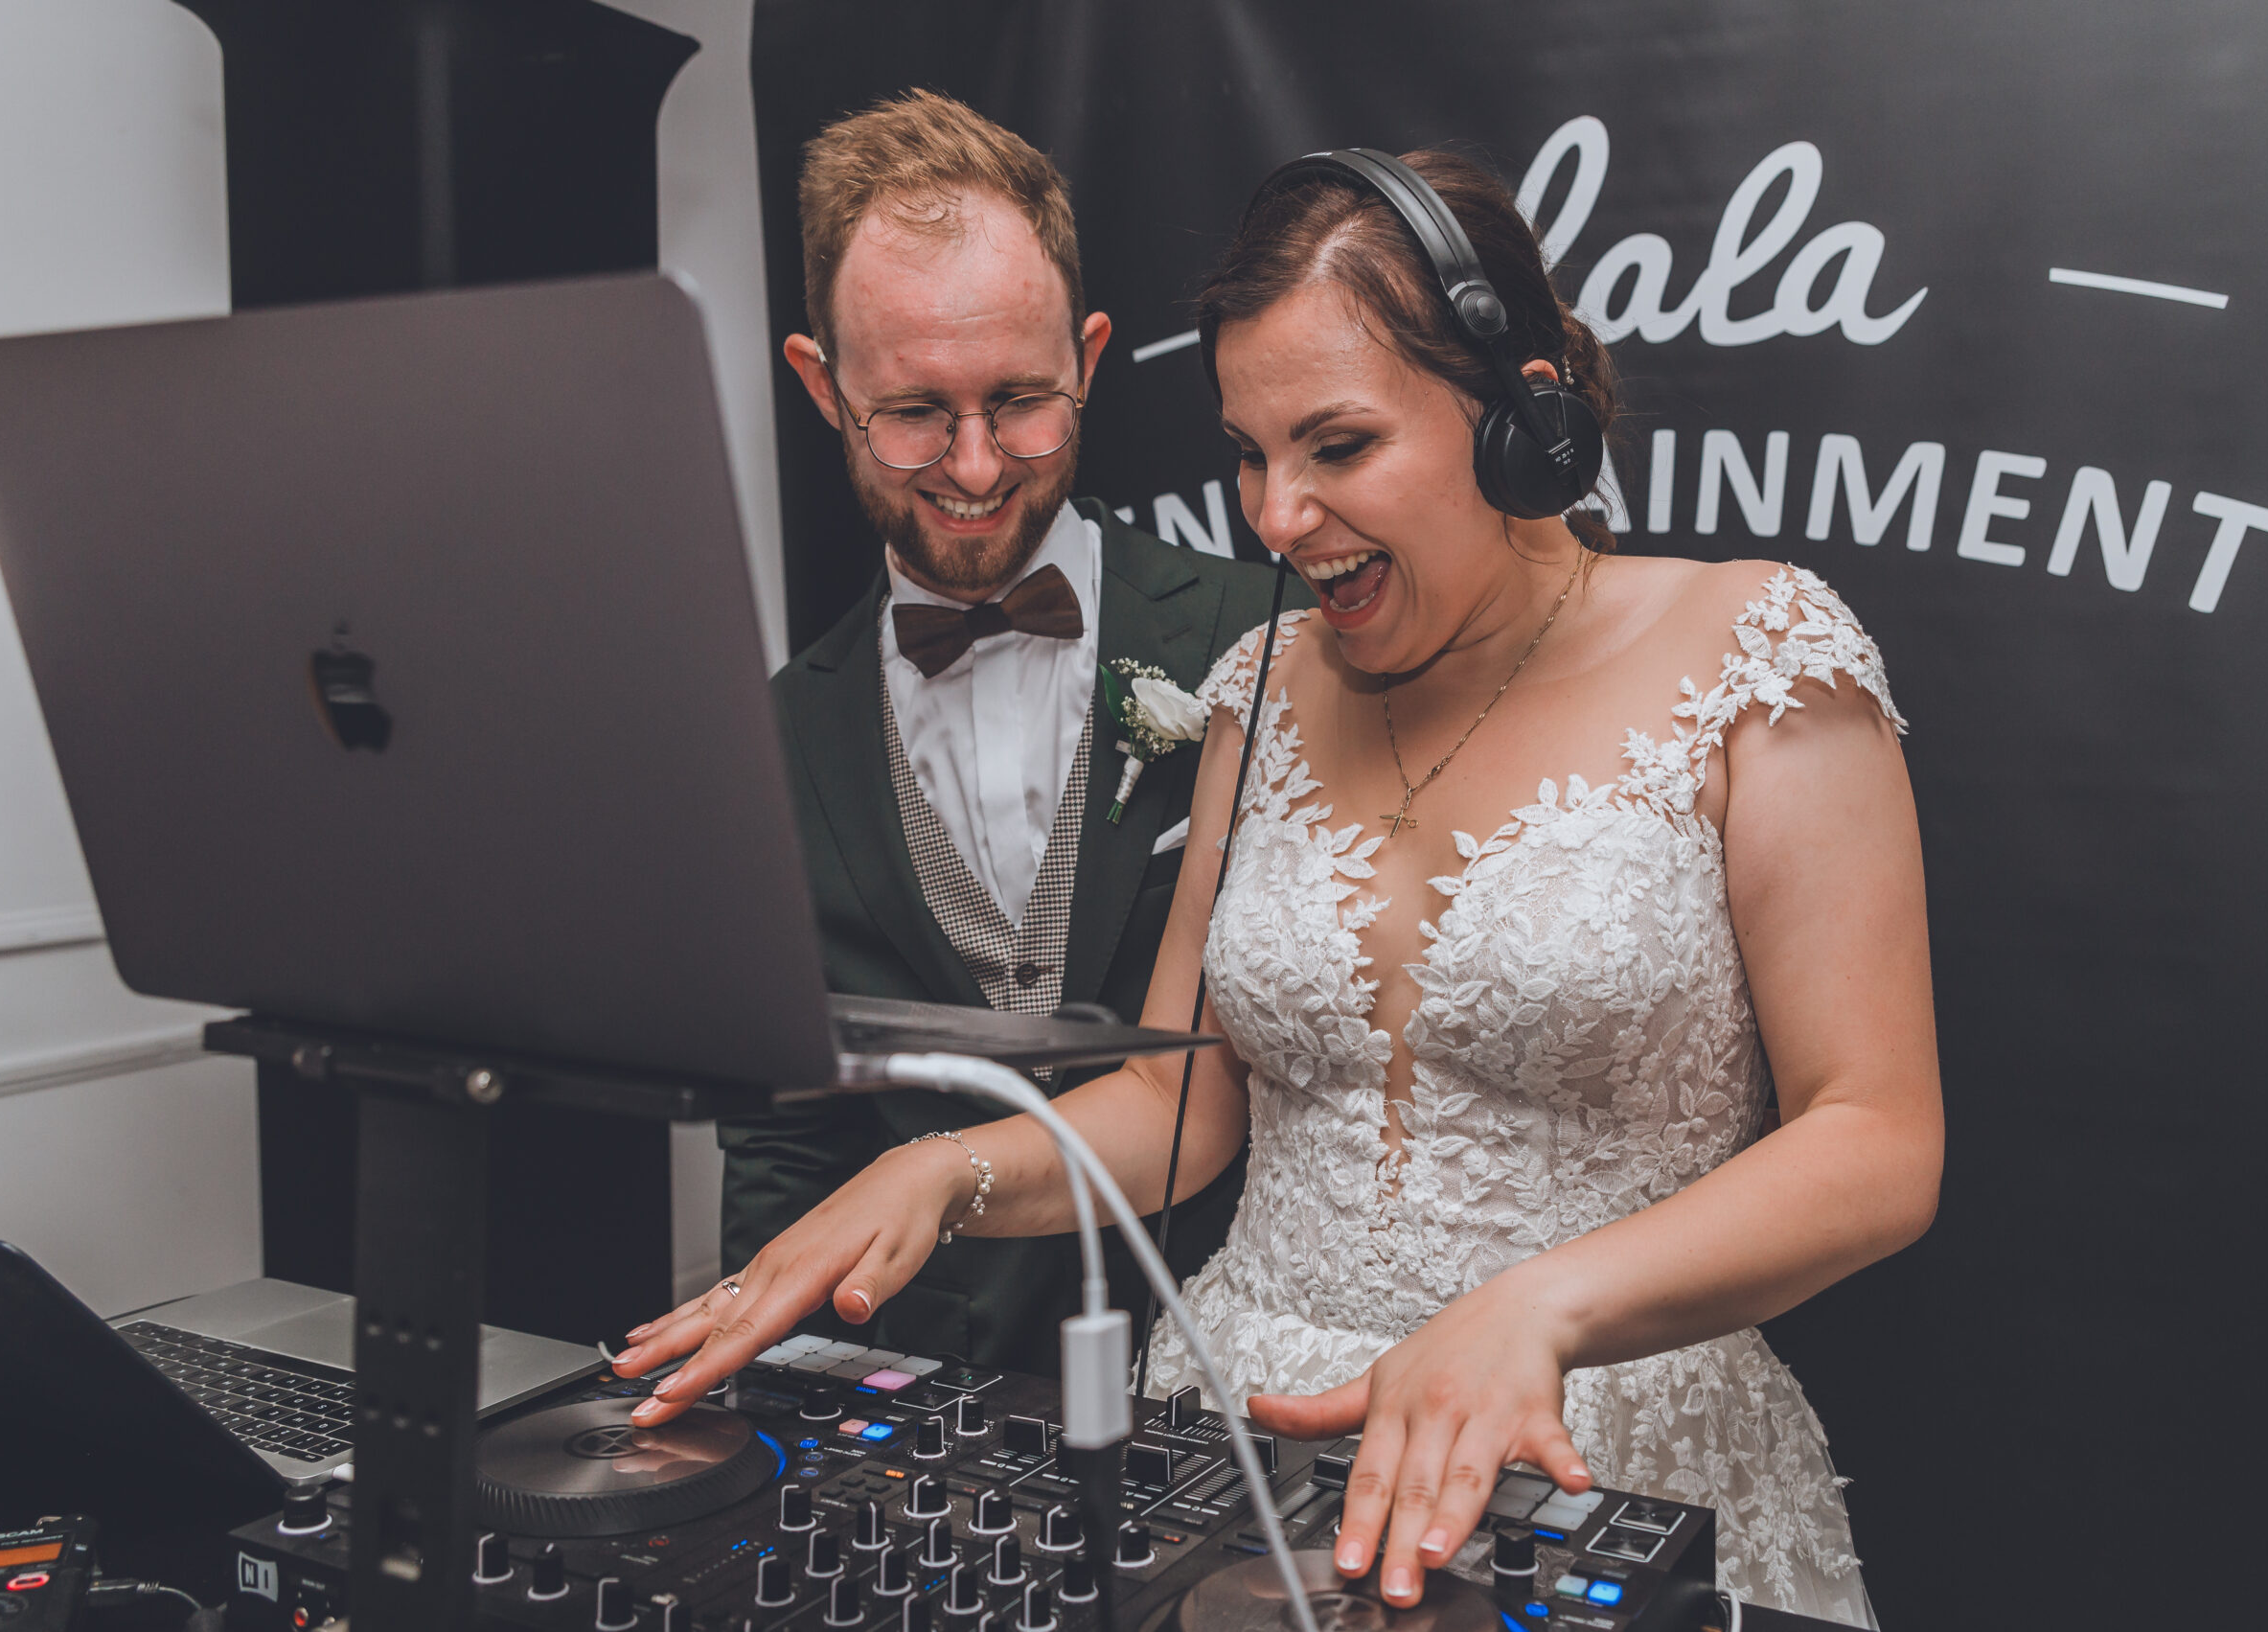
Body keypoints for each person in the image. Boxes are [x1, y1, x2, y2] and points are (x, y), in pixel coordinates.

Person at [624, 147, 1941, 1623]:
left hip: (1602, 1447)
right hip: (1244, 1453)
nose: (1276, 514)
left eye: (1338, 446)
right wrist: (944, 1169)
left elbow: (1878, 1139)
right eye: (1252, 454)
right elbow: (1179, 1105)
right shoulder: (1259, 683)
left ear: (1519, 415)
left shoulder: (1758, 650)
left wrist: (1537, 1307)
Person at [705, 91, 1297, 1376]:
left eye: (1021, 401)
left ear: (1089, 358)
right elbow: (785, 1143)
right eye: (914, 411)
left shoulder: (1268, 637)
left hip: (1230, 1391)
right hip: (922, 1408)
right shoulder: (771, 739)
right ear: (821, 384)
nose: (975, 467)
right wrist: (773, 1409)